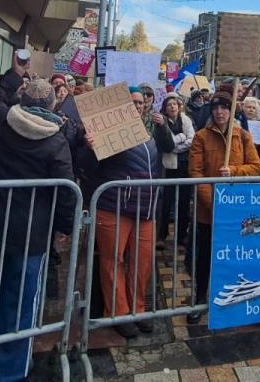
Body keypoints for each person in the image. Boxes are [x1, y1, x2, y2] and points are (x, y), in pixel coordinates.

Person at [0, 56, 76, 381]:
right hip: (30, 233)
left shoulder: (2, 123)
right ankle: (10, 370)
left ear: (22, 99)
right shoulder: (56, 140)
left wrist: (14, 76)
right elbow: (66, 190)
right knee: (20, 302)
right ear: (54, 104)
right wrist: (65, 227)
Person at [83, 88, 168, 338]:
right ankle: (118, 312)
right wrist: (89, 147)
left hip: (146, 209)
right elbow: (88, 166)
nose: (137, 106)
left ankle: (137, 309)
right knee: (113, 261)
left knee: (142, 262)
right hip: (115, 206)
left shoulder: (149, 133)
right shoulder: (107, 129)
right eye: (132, 102)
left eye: (141, 102)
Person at [186, 84, 260, 326]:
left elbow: (256, 167)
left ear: (231, 111)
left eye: (224, 108)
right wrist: (215, 206)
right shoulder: (201, 137)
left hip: (238, 211)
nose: (220, 112)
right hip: (209, 212)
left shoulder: (243, 136)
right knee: (205, 257)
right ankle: (200, 299)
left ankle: (239, 297)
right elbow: (196, 175)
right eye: (216, 108)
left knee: (238, 257)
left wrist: (235, 172)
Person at [156, 95, 195, 249]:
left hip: (184, 165)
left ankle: (181, 236)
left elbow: (191, 139)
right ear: (165, 108)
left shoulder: (186, 120)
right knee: (165, 203)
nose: (172, 107)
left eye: (175, 104)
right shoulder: (162, 123)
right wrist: (179, 139)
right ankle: (161, 234)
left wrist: (176, 148)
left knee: (184, 202)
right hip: (168, 166)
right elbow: (167, 144)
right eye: (169, 105)